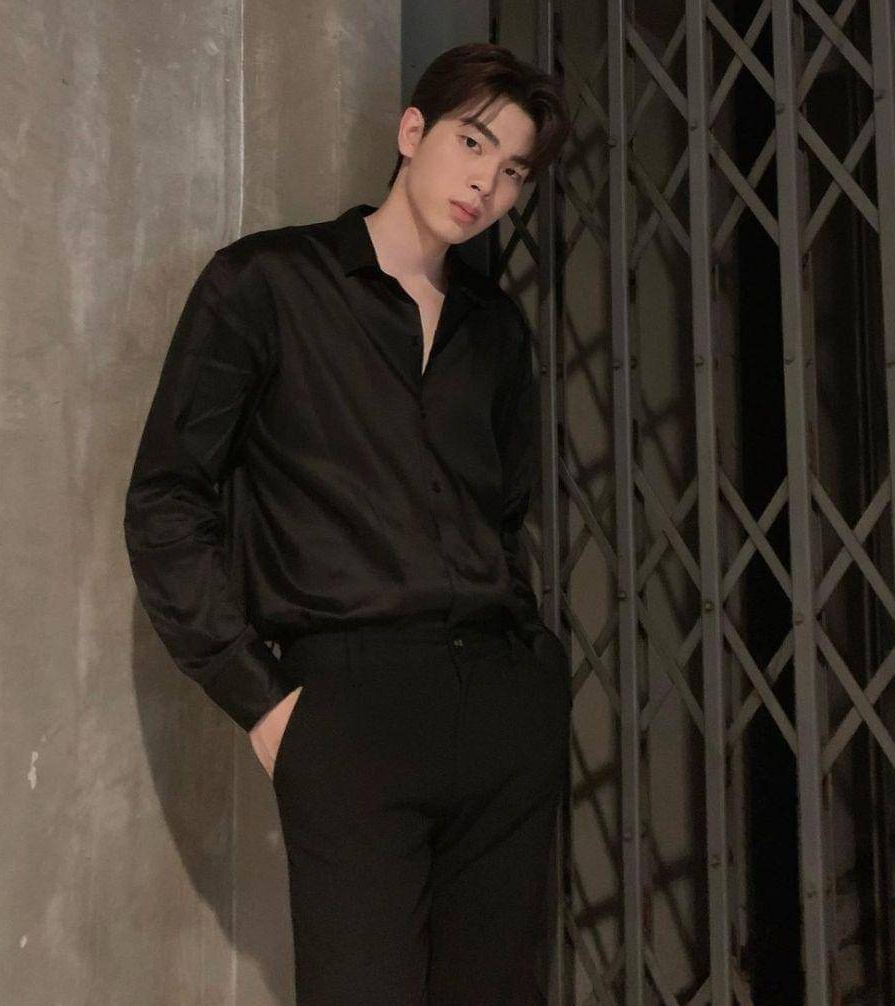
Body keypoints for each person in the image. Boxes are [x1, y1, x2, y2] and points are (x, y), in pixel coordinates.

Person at [123, 41, 571, 1006]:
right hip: (347, 711)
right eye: (472, 142)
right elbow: (166, 499)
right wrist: (265, 705)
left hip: (502, 710)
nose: (486, 183)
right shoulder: (267, 284)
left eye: (513, 170)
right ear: (412, 131)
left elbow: (505, 517)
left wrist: (534, 674)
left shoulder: (496, 331)